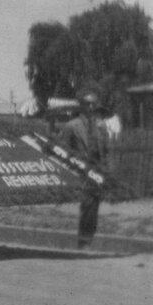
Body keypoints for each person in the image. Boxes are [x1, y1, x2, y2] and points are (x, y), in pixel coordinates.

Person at [59, 91, 108, 248]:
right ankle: (84, 240)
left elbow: (105, 149)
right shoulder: (71, 126)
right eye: (88, 104)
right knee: (87, 204)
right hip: (82, 170)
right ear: (82, 106)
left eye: (94, 104)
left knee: (94, 205)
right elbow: (62, 149)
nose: (91, 107)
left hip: (97, 169)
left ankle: (88, 238)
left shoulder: (101, 125)